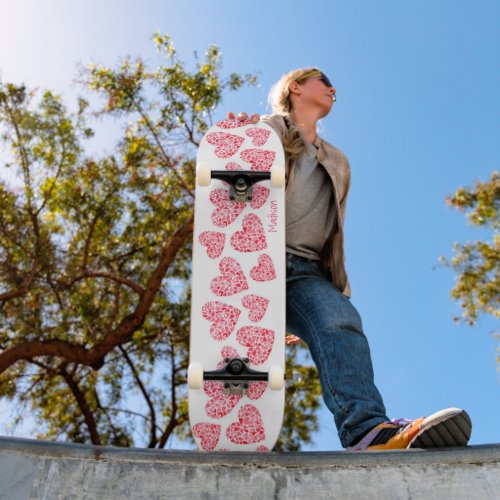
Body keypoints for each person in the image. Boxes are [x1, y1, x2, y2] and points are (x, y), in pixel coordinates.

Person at [228, 67, 472, 450]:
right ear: (295, 87)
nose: (332, 89)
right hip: (255, 259)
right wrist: (239, 141)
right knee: (243, 355)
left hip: (306, 271)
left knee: (340, 320)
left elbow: (331, 230)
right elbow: (229, 176)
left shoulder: (338, 161)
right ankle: (234, 430)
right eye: (323, 82)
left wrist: (317, 299)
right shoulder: (265, 130)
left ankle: (367, 432)